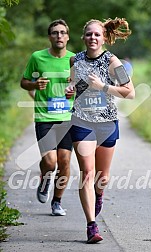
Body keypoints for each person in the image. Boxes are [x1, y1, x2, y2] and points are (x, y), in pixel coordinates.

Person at [65, 17, 135, 243]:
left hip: (107, 123)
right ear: (83, 37)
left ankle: (100, 193)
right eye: (89, 34)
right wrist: (70, 88)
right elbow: (75, 84)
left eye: (97, 34)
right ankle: (91, 226)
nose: (92, 38)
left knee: (101, 177)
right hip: (82, 121)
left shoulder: (113, 62)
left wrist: (103, 86)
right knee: (87, 171)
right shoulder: (75, 60)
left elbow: (130, 92)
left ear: (104, 37)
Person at [20, 19, 75, 216]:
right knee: (50, 162)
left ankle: (57, 202)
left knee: (64, 161)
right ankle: (45, 178)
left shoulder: (75, 60)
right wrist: (35, 85)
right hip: (44, 116)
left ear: (68, 37)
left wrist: (74, 90)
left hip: (68, 117)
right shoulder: (38, 57)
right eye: (54, 33)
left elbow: (85, 87)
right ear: (49, 36)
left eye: (62, 32)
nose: (58, 36)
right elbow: (24, 82)